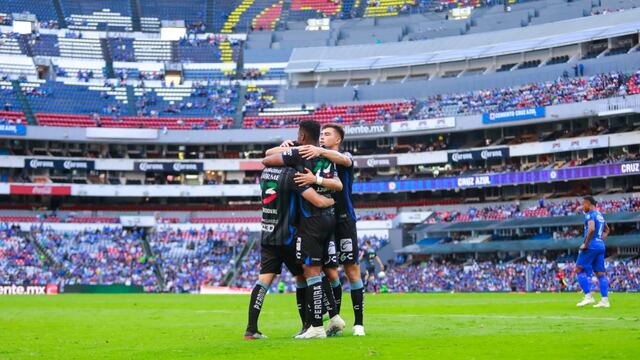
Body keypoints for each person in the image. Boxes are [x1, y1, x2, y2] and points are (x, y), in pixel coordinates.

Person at [262, 120, 345, 339]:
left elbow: (266, 159)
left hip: (311, 220)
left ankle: (316, 327)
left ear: (301, 135)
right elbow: (337, 184)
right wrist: (327, 198)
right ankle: (334, 316)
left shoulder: (299, 153)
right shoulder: (326, 155)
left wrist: (286, 148)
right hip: (329, 219)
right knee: (322, 270)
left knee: (310, 271)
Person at [244, 166, 335, 340]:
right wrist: (331, 201)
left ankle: (251, 329)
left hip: (267, 235)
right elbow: (318, 201)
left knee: (263, 281)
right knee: (305, 276)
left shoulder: (266, 172)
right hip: (288, 236)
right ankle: (308, 325)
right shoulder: (291, 175)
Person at [295, 123, 367, 336]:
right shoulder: (318, 159)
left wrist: (321, 150)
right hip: (323, 221)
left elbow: (345, 160)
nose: (322, 137)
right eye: (322, 134)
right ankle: (335, 319)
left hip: (344, 220)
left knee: (351, 269)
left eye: (327, 135)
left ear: (337, 140)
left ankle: (359, 324)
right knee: (328, 270)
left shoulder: (343, 157)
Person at [575, 196, 610, 308]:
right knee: (600, 273)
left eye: (583, 204)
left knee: (579, 268)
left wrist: (586, 244)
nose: (582, 207)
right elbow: (607, 230)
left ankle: (588, 297)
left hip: (591, 245)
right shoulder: (600, 215)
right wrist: (600, 240)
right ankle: (605, 300)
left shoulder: (589, 214)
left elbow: (591, 229)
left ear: (588, 204)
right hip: (600, 245)